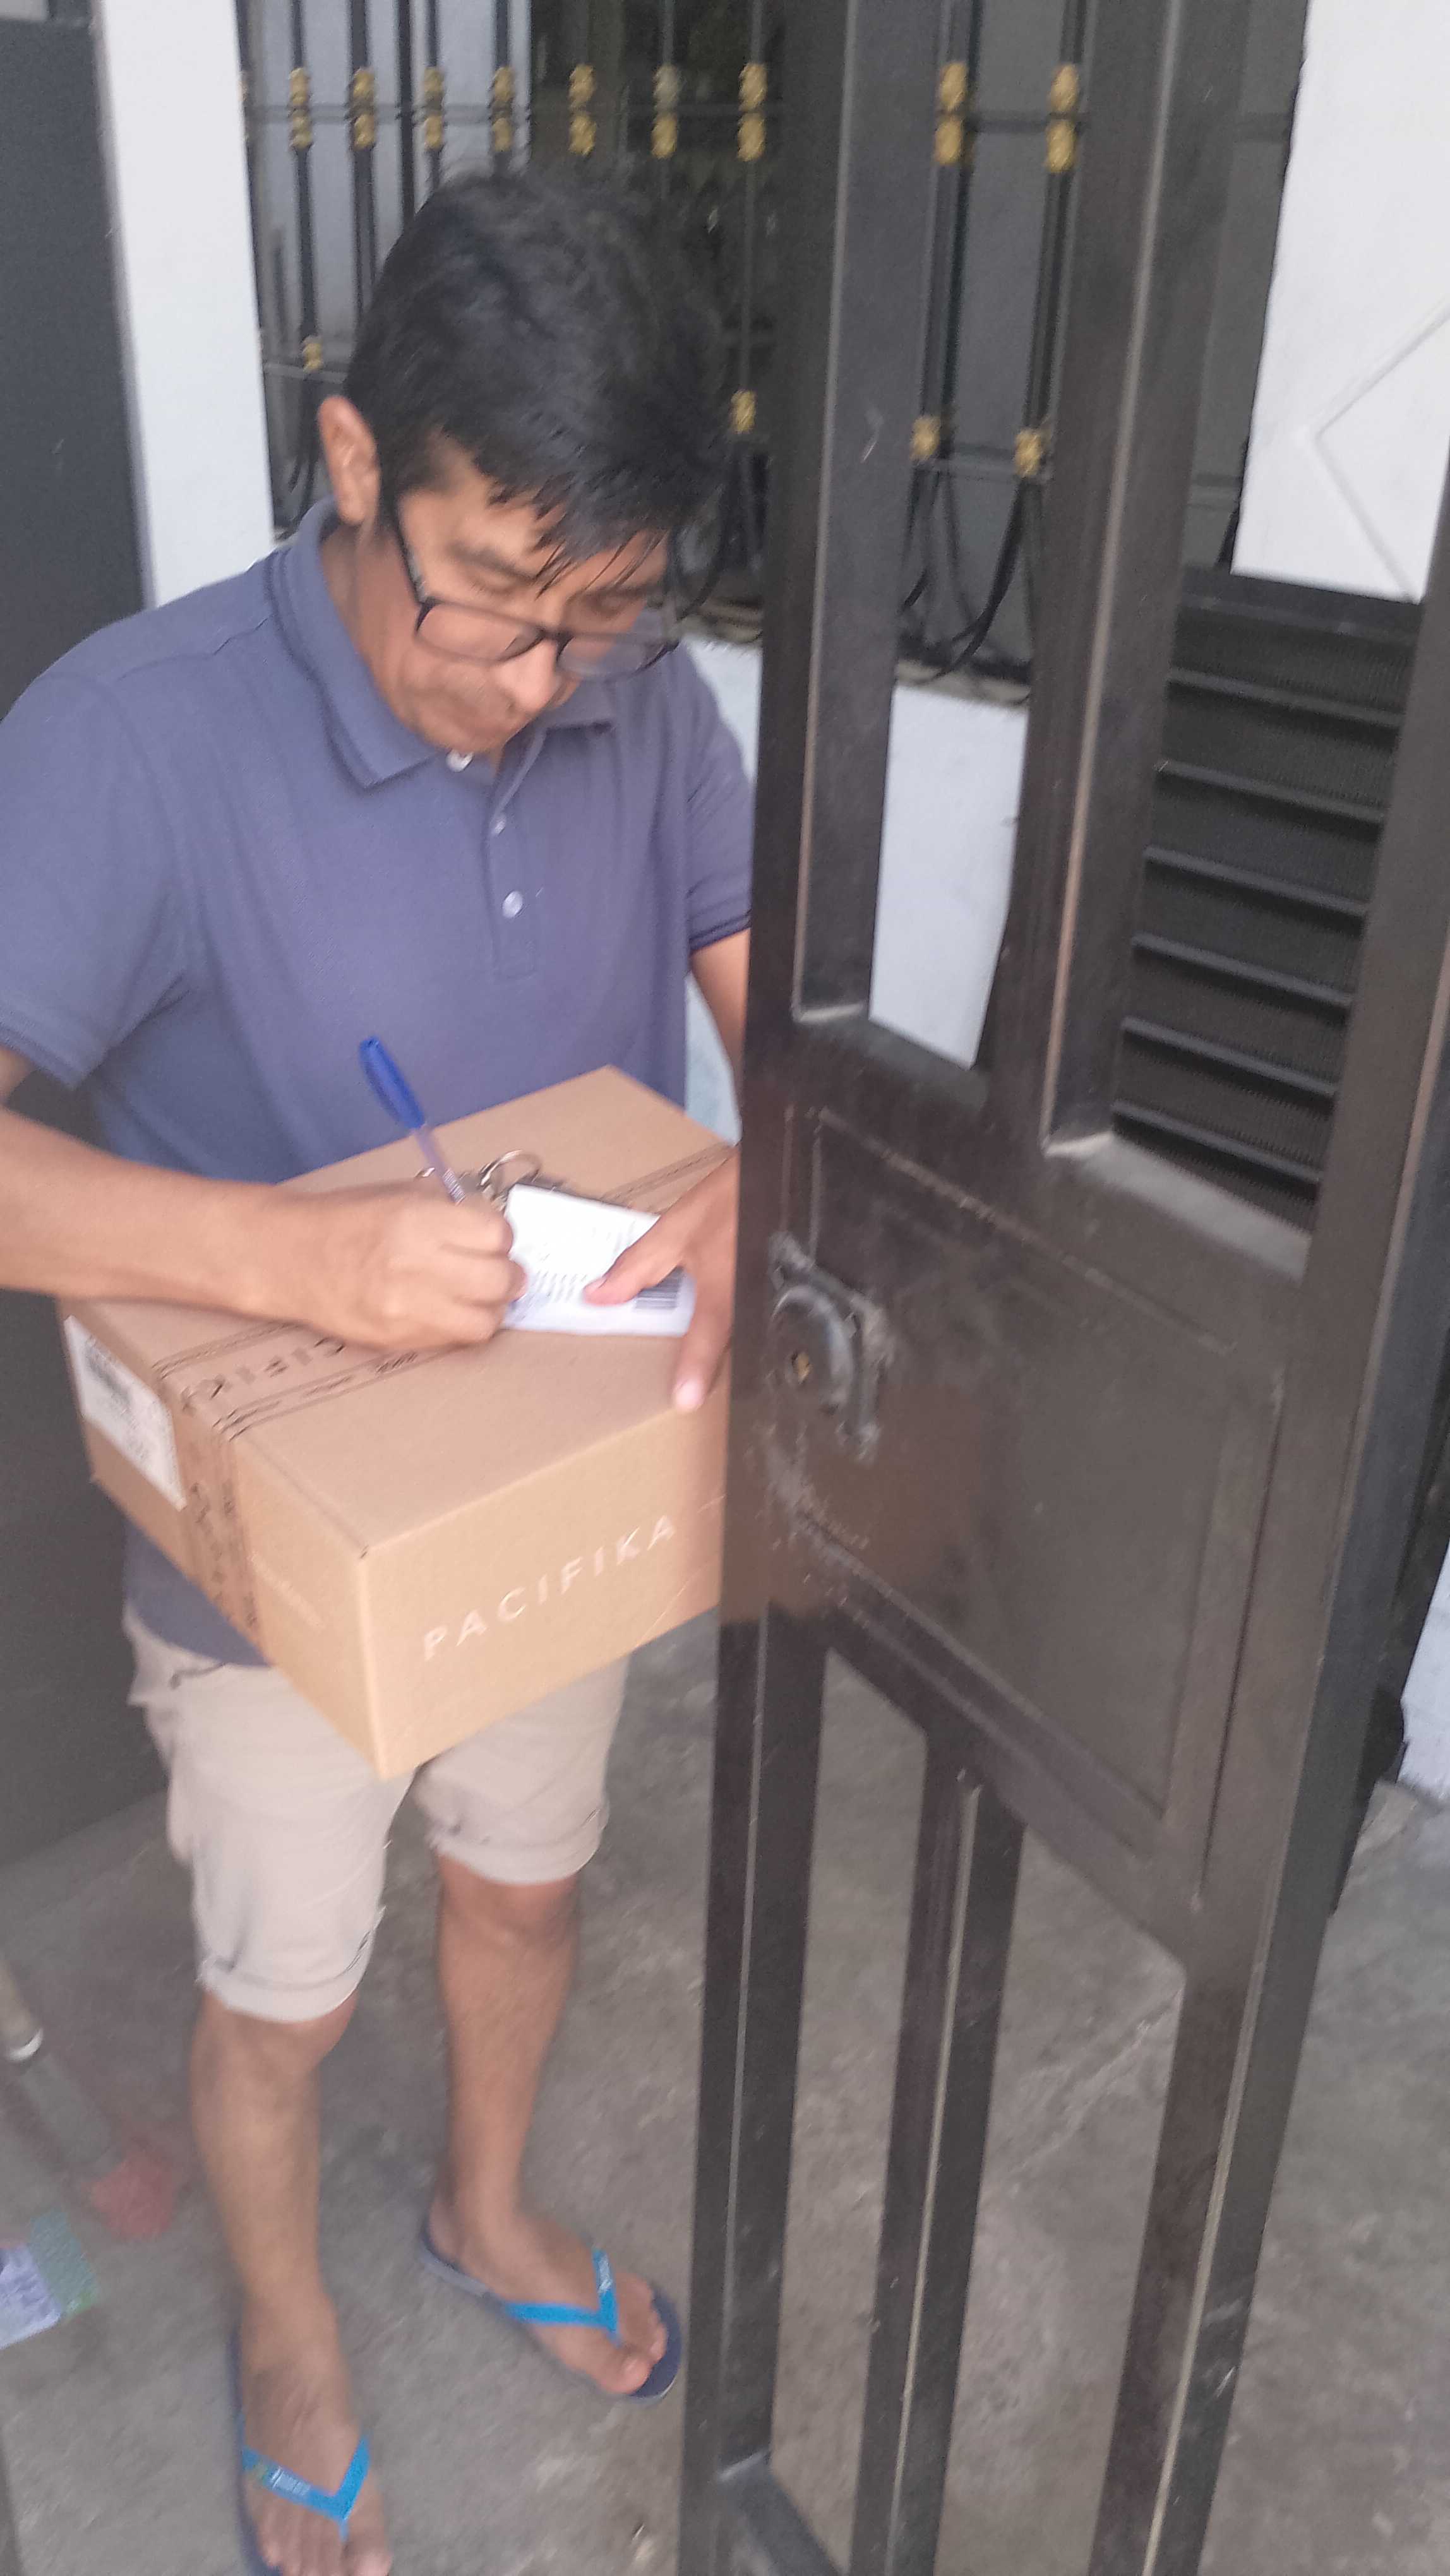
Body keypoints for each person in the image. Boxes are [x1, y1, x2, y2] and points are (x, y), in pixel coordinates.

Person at [0, 169, 751, 2576]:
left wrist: (786, 1161)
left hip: (555, 1483)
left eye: (605, 615)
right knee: (287, 1998)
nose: (542, 683)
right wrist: (294, 1261)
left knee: (528, 1895)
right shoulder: (132, 742)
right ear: (351, 460)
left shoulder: (643, 695)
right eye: (497, 600)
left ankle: (485, 2210)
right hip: (268, 1557)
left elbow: (796, 1011)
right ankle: (289, 2329)